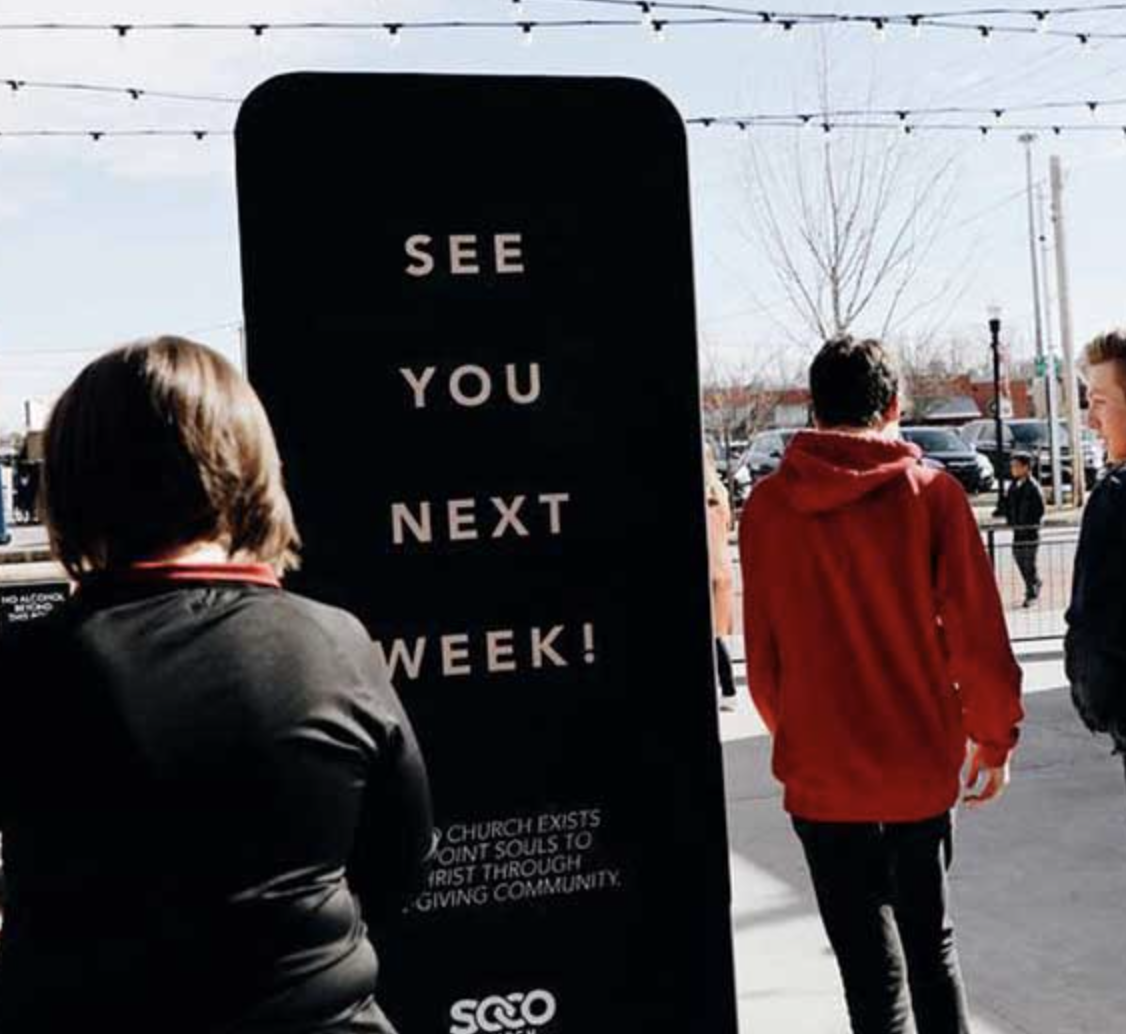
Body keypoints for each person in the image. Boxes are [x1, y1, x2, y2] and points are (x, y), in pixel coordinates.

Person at [0, 337, 433, 1034]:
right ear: (250, 464)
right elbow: (402, 862)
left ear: (76, 481)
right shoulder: (337, 645)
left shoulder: (29, 668)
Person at [739, 336, 1023, 1034]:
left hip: (823, 779)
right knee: (933, 953)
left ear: (812, 407)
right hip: (916, 774)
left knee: (870, 983)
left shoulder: (770, 510)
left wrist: (801, 735)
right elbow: (978, 640)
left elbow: (763, 657)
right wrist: (993, 737)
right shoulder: (934, 497)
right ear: (895, 406)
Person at [1066, 329, 1126, 764]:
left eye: (1099, 402)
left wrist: (1100, 707)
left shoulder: (1115, 499)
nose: (1090, 420)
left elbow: (1094, 628)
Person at [703, 442, 737, 710]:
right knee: (718, 634)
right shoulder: (720, 491)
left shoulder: (702, 495)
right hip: (723, 568)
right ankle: (728, 690)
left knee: (713, 635)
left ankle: (727, 689)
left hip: (708, 568)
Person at [1004, 451, 1045, 607]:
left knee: (1029, 562)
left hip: (1030, 531)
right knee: (1019, 558)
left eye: (1016, 466)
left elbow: (1039, 509)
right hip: (1017, 530)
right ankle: (1034, 583)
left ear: (1026, 467)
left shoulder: (1033, 487)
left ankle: (1031, 591)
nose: (1013, 469)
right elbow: (1009, 506)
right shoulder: (1014, 486)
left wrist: (1031, 524)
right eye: (1012, 466)